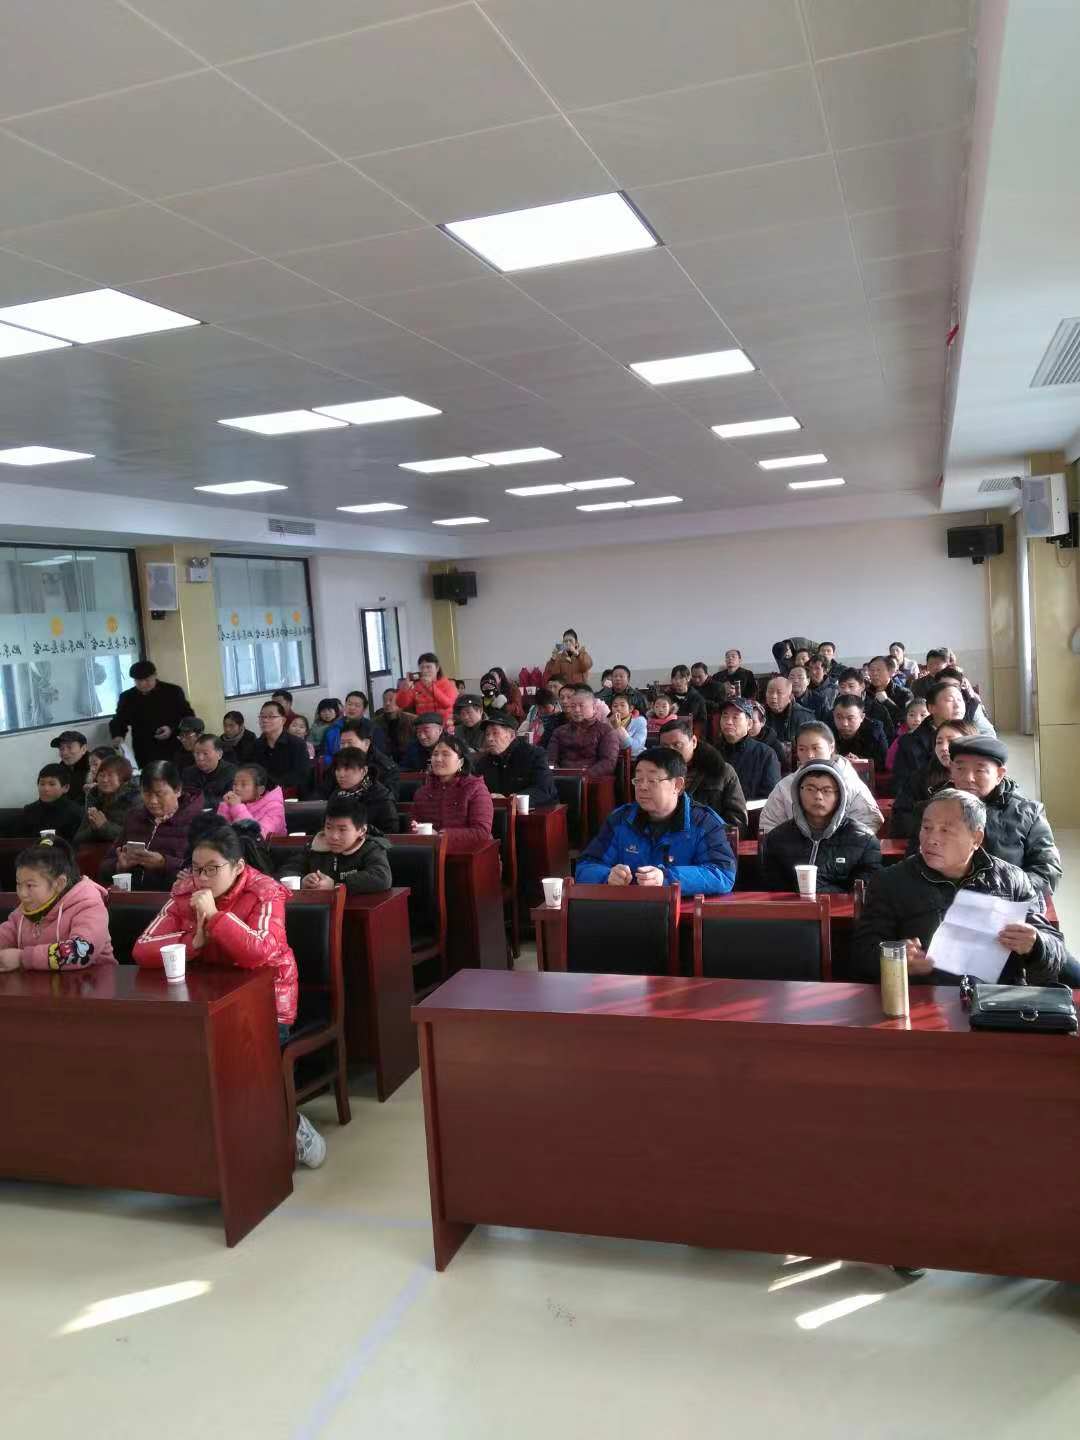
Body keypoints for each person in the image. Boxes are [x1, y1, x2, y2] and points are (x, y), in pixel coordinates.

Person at [132, 821, 324, 1168]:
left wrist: (215, 918)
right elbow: (142, 948)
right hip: (207, 999)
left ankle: (290, 1126)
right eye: (196, 869)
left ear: (237, 867)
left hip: (268, 1001)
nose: (202, 879)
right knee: (167, 1054)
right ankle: (204, 1145)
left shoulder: (265, 891)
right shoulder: (184, 893)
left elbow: (260, 951)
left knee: (239, 1060)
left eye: (212, 869)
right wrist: (193, 942)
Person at [853, 790, 1069, 987]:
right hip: (923, 1000)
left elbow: (1055, 950)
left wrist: (1036, 944)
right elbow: (862, 954)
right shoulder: (890, 881)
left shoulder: (1012, 879)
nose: (931, 839)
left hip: (996, 1001)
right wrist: (893, 958)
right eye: (926, 828)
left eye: (946, 830)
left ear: (976, 838)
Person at [902, 736, 1061, 898]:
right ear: (951, 770)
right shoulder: (932, 808)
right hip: (940, 902)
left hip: (1004, 901)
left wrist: (1011, 891)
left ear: (999, 774)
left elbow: (1047, 871)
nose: (968, 778)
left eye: (980, 770)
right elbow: (914, 862)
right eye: (960, 769)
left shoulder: (1029, 813)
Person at [576, 747, 736, 894]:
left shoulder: (704, 823)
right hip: (628, 909)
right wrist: (607, 876)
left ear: (678, 785)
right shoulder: (620, 820)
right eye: (638, 780)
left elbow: (723, 874)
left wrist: (667, 878)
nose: (642, 787)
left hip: (681, 912)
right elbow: (585, 867)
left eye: (652, 780)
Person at [760, 761, 882, 894]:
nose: (818, 796)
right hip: (790, 907)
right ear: (797, 792)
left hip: (839, 907)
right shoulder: (777, 838)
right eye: (810, 789)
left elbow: (865, 893)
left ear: (840, 795)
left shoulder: (864, 840)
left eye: (827, 790)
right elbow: (771, 891)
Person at [0, 838, 114, 972]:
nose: (22, 893)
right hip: (40, 983)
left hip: (94, 981)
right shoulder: (26, 908)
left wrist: (21, 958)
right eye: (19, 884)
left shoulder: (89, 904)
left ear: (59, 883)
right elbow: (6, 933)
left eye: (30, 885)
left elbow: (81, 951)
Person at [759, 723, 884, 836]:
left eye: (816, 748)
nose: (809, 755)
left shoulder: (850, 781)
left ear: (831, 747)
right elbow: (769, 825)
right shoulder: (785, 786)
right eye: (802, 749)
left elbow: (869, 821)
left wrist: (842, 845)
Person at [102, 760, 203, 888]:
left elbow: (205, 871)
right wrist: (119, 866)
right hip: (133, 895)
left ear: (178, 790)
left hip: (173, 896)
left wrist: (164, 863)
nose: (153, 801)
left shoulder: (198, 822)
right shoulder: (134, 817)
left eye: (159, 794)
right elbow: (104, 866)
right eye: (146, 793)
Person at [277, 794, 392, 895]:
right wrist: (302, 881)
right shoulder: (315, 845)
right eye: (329, 828)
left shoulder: (371, 848)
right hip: (320, 907)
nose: (334, 836)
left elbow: (382, 877)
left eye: (342, 830)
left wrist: (336, 884)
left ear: (361, 830)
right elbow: (287, 871)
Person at [891, 719, 976, 839]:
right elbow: (900, 819)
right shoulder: (920, 778)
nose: (943, 748)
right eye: (939, 742)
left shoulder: (983, 780)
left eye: (951, 741)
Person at [658, 719, 748, 830]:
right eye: (665, 747)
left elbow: (737, 822)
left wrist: (709, 835)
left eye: (677, 745)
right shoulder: (654, 775)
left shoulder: (722, 772)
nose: (671, 752)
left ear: (694, 742)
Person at [410, 734, 493, 849]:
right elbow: (413, 826)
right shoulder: (422, 792)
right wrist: (415, 829)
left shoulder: (476, 789)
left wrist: (440, 837)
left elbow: (481, 833)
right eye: (435, 754)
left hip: (470, 854)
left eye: (446, 754)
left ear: (461, 762)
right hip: (430, 854)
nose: (438, 759)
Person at [110, 661, 194, 767]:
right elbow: (119, 720)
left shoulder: (172, 691)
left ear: (155, 675)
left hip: (173, 746)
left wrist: (171, 728)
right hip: (144, 749)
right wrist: (117, 735)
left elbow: (188, 717)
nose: (143, 684)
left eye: (147, 680)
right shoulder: (127, 697)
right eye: (138, 681)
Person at [892, 680, 972, 792]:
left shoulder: (975, 737)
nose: (957, 705)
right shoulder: (909, 743)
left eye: (960, 699)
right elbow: (901, 788)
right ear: (931, 708)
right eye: (950, 700)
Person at [477, 713, 558, 806]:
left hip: (536, 810)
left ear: (512, 735)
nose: (489, 738)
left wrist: (512, 800)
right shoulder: (484, 761)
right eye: (487, 734)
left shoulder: (534, 755)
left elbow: (543, 789)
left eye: (495, 733)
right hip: (498, 811)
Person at [546, 684, 620, 778]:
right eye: (573, 706)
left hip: (592, 780)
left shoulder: (606, 731)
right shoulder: (559, 732)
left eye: (581, 706)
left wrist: (583, 777)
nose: (577, 710)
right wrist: (559, 775)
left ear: (594, 708)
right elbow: (551, 760)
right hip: (562, 780)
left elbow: (608, 763)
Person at [716, 698, 781, 801]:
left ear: (749, 724)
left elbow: (770, 798)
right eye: (725, 716)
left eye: (735, 717)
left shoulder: (765, 755)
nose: (728, 722)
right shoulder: (713, 752)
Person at [322, 748, 399, 834]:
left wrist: (360, 833)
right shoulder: (337, 795)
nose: (341, 774)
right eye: (338, 769)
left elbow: (391, 833)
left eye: (347, 769)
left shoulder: (382, 797)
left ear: (364, 771)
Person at [3, 764, 84, 841]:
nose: (46, 789)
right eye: (42, 784)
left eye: (52, 784)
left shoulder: (75, 812)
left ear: (66, 788)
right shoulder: (29, 810)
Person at [74, 754, 140, 847]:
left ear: (124, 779)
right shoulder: (94, 797)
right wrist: (95, 829)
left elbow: (137, 838)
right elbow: (77, 838)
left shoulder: (135, 799)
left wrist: (104, 826)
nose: (105, 780)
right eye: (101, 775)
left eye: (110, 775)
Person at [253, 700, 312, 794]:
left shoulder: (297, 744)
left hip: (290, 794)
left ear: (283, 720)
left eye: (271, 716)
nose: (265, 720)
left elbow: (301, 775)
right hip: (262, 794)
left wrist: (275, 788)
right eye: (262, 716)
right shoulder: (256, 745)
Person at [217, 763, 287, 839]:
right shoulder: (235, 803)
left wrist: (237, 807)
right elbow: (219, 834)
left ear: (260, 790)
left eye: (243, 785)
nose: (237, 788)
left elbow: (259, 837)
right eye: (235, 784)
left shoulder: (275, 808)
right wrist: (226, 806)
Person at [335, 719, 401, 798]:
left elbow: (388, 799)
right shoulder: (337, 762)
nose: (345, 747)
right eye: (342, 743)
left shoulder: (386, 768)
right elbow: (324, 793)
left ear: (366, 743)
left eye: (350, 743)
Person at [762, 675, 814, 765]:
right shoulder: (759, 714)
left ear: (790, 697)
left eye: (779, 693)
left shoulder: (803, 716)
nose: (773, 696)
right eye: (770, 692)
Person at [396, 654, 458, 728]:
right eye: (422, 667)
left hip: (444, 725)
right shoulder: (417, 685)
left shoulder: (448, 684)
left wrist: (430, 686)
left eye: (428, 667)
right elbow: (402, 704)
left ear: (437, 668)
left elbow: (448, 704)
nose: (425, 670)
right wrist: (405, 689)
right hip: (424, 725)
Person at [830, 695, 888, 769]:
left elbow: (883, 761)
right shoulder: (827, 729)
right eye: (839, 717)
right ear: (833, 715)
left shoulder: (874, 730)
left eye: (850, 718)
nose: (844, 724)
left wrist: (860, 761)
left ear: (862, 717)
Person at [181, 733, 237, 808]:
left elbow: (229, 800)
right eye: (197, 753)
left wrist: (200, 802)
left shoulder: (232, 772)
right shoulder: (188, 773)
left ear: (219, 754)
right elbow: (186, 798)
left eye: (205, 754)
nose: (200, 758)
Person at [885, 698, 929, 773]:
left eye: (922, 715)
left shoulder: (936, 738)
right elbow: (889, 762)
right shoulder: (900, 739)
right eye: (912, 715)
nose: (917, 719)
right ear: (906, 717)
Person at [372, 688, 415, 761]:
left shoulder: (411, 720)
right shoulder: (376, 722)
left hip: (408, 759)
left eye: (391, 700)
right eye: (384, 701)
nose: (387, 703)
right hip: (384, 760)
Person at [50, 730, 91, 800]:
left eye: (69, 747)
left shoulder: (96, 768)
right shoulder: (60, 768)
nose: (64, 752)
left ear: (83, 749)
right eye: (61, 748)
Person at [748, 700, 785, 768]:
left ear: (762, 722)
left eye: (753, 722)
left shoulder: (774, 746)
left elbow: (785, 769)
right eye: (745, 721)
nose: (748, 726)